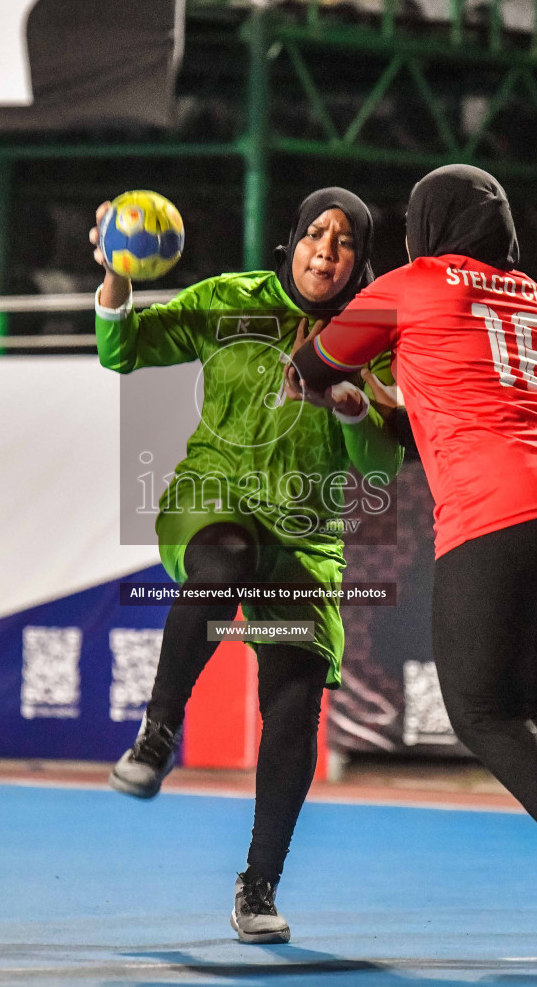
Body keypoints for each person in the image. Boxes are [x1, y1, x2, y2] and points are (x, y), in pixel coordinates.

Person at [288, 165, 537, 963]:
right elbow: (469, 390)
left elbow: (315, 370)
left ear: (427, 226)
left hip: (500, 508)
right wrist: (385, 400)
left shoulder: (410, 284)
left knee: (484, 709)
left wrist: (329, 365)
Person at [91, 189, 402, 944]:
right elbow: (121, 349)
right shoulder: (230, 300)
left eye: (345, 241)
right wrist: (115, 276)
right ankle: (159, 733)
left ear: (361, 258)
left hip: (305, 536)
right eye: (314, 235)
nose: (326, 251)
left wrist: (352, 406)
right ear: (291, 241)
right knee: (222, 564)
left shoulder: (377, 336)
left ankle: (258, 888)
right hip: (211, 500)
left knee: (294, 701)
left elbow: (381, 464)